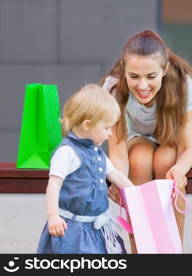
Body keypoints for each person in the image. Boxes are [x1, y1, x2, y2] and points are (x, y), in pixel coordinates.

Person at [100, 29, 192, 252]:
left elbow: (187, 147)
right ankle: (142, 253)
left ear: (164, 69)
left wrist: (179, 170)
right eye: (134, 76)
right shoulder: (113, 88)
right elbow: (118, 151)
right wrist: (118, 181)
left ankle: (171, 252)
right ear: (123, 68)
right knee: (139, 160)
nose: (142, 86)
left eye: (151, 76)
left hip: (177, 140)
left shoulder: (181, 85)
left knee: (165, 161)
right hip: (138, 139)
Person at [37, 84, 134, 254]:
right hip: (74, 231)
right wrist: (53, 216)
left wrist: (137, 195)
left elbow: (116, 175)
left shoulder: (96, 152)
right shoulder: (67, 152)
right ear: (87, 125)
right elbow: (54, 185)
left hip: (98, 227)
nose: (110, 133)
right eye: (106, 128)